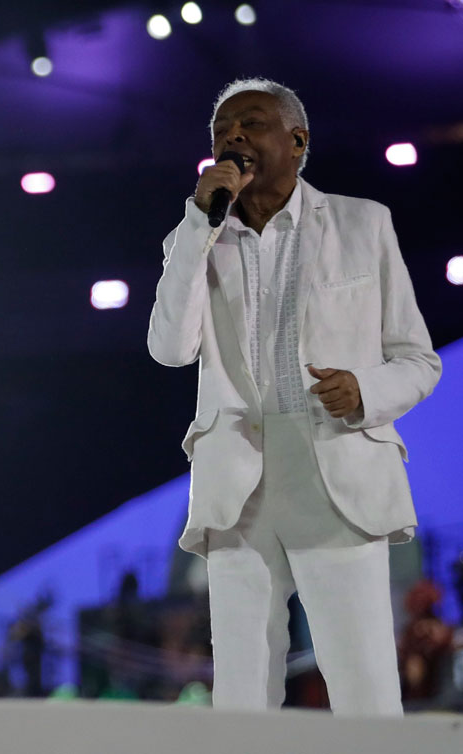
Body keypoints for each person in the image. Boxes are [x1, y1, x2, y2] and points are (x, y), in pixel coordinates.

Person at [147, 78, 440, 715]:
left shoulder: (363, 224)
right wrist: (199, 225)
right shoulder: (195, 240)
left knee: (361, 678)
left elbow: (419, 360)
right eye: (222, 130)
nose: (233, 137)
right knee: (241, 692)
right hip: (238, 480)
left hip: (335, 465)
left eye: (250, 123)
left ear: (298, 140)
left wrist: (364, 388)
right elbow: (169, 349)